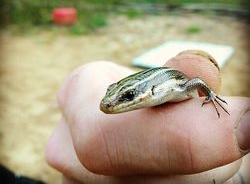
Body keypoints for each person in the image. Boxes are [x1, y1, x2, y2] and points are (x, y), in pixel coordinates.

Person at [45, 51, 250, 184]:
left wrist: (211, 95)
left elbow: (196, 80)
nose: (107, 104)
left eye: (129, 96)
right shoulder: (151, 100)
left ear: (151, 91)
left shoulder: (178, 86)